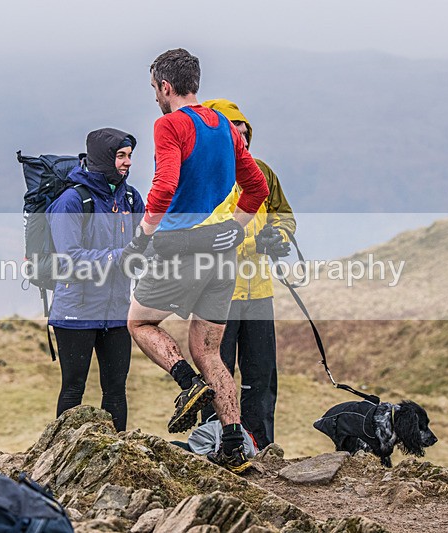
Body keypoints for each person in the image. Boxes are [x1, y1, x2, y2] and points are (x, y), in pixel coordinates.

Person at [124, 49, 269, 474]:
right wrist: (237, 228)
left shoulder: (169, 124)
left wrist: (141, 237)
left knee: (139, 323)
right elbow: (257, 187)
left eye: (155, 88)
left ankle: (188, 384)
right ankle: (233, 444)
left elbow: (164, 186)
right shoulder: (224, 126)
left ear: (166, 86)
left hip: (178, 246)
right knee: (209, 351)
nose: (155, 96)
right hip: (221, 253)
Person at [199, 98, 296, 451]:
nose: (242, 140)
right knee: (216, 373)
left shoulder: (262, 172)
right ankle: (214, 446)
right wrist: (256, 241)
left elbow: (284, 214)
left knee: (261, 376)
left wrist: (278, 235)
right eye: (234, 134)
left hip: (259, 294)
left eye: (245, 134)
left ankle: (262, 449)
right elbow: (207, 231)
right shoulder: (202, 177)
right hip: (217, 293)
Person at [46, 128, 145, 432]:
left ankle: (119, 453)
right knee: (73, 388)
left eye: (129, 155)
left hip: (117, 311)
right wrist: (119, 256)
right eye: (121, 156)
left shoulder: (131, 198)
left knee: (116, 390)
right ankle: (60, 452)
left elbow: (145, 245)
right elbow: (70, 258)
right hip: (75, 311)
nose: (128, 162)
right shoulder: (72, 201)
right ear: (103, 157)